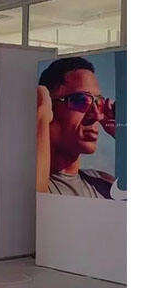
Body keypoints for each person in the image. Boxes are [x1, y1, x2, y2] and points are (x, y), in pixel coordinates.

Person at [36, 56, 118, 198]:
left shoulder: (105, 184)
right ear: (50, 106)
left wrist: (122, 133)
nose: (97, 116)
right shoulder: (27, 181)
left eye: (99, 103)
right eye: (81, 100)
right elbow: (37, 202)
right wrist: (41, 116)